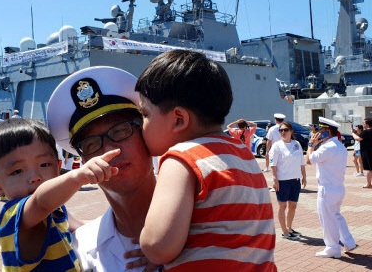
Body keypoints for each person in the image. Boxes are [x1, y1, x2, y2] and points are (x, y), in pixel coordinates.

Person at [135, 50, 277, 270]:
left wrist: (147, 247)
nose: (141, 124)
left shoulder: (181, 159)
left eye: (145, 114)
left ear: (179, 120)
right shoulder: (243, 154)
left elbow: (157, 246)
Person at [48, 66, 159, 271]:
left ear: (144, 132)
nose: (109, 150)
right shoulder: (80, 249)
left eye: (120, 130)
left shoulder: (210, 220)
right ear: (83, 160)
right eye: (91, 144)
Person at [0, 118, 118, 271]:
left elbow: (81, 226)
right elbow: (40, 201)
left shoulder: (55, 208)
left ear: (57, 167)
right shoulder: (13, 216)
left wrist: (124, 228)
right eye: (17, 171)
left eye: (44, 164)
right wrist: (77, 177)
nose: (35, 177)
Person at [305, 117, 356, 258]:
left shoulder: (328, 147)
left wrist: (311, 144)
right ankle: (348, 242)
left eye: (321, 130)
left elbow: (309, 160)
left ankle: (332, 247)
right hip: (338, 187)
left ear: (328, 132)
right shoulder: (339, 146)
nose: (318, 133)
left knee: (327, 219)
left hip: (327, 188)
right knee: (336, 216)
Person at [270, 121, 307, 240]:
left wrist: (304, 176)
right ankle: (285, 232)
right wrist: (275, 179)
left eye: (286, 130)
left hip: (295, 180)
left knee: (293, 205)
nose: (283, 132)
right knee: (282, 206)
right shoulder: (277, 145)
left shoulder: (296, 144)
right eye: (281, 130)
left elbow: (302, 161)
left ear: (291, 131)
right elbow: (273, 165)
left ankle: (290, 228)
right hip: (282, 181)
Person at [352, 117, 372, 188]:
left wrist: (352, 133)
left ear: (367, 124)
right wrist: (356, 133)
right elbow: (361, 136)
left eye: (364, 123)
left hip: (367, 151)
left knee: (368, 168)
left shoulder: (366, 131)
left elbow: (358, 139)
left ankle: (368, 183)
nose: (363, 124)